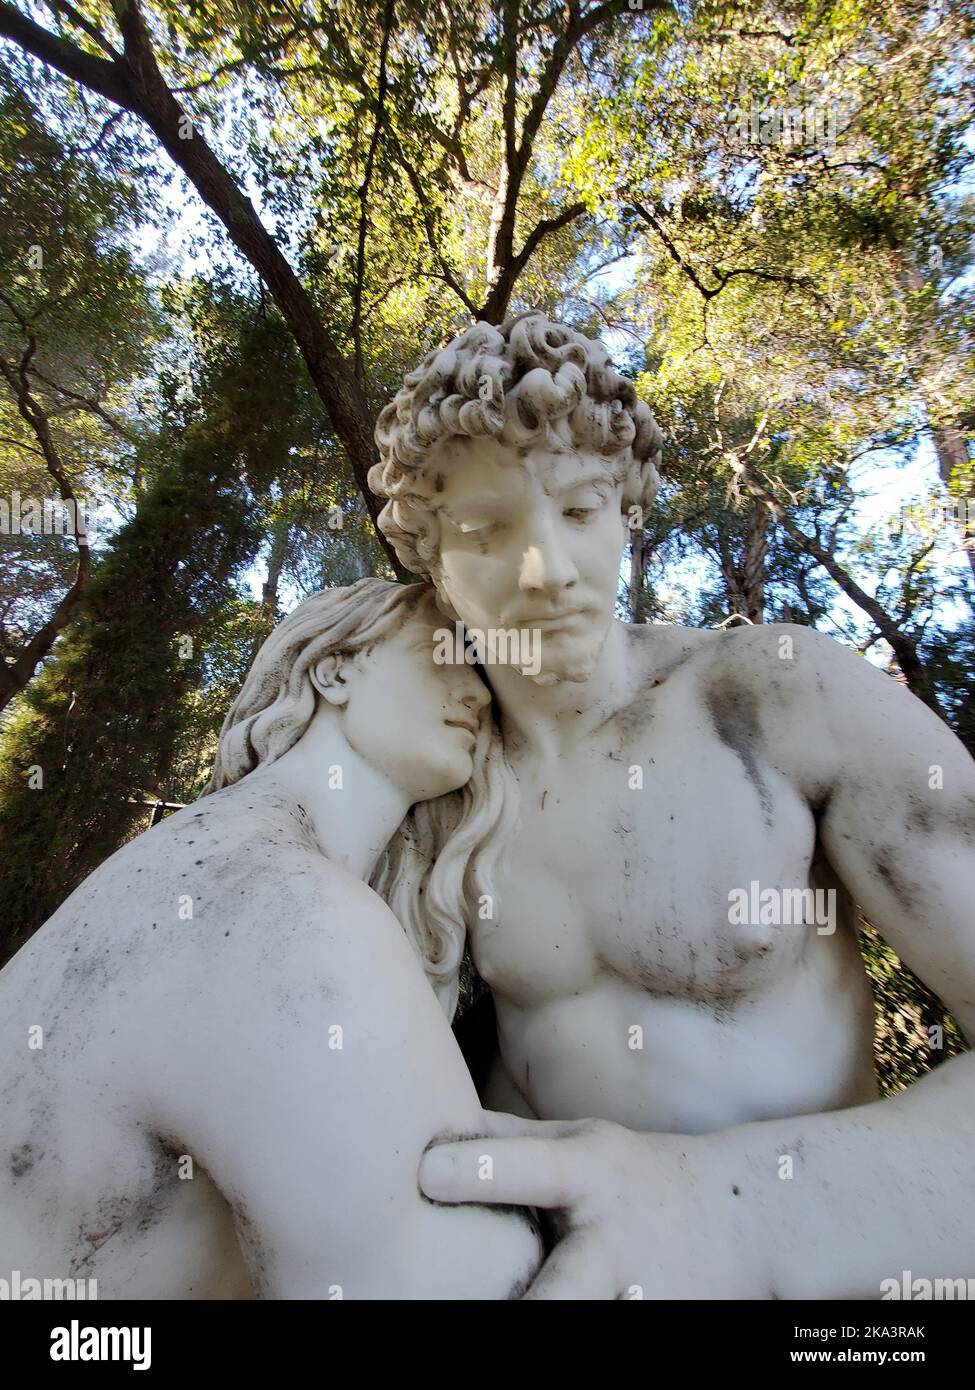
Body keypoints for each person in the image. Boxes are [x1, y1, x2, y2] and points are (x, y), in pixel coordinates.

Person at [370, 312, 975, 1299]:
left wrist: (722, 1213)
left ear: (628, 507)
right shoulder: (438, 799)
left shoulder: (778, 698)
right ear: (430, 556)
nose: (549, 571)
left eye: (578, 511)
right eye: (487, 530)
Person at [0, 578, 540, 1299]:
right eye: (442, 654)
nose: (477, 693)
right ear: (335, 668)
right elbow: (448, 1281)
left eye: (482, 673)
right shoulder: (275, 900)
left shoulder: (200, 862)